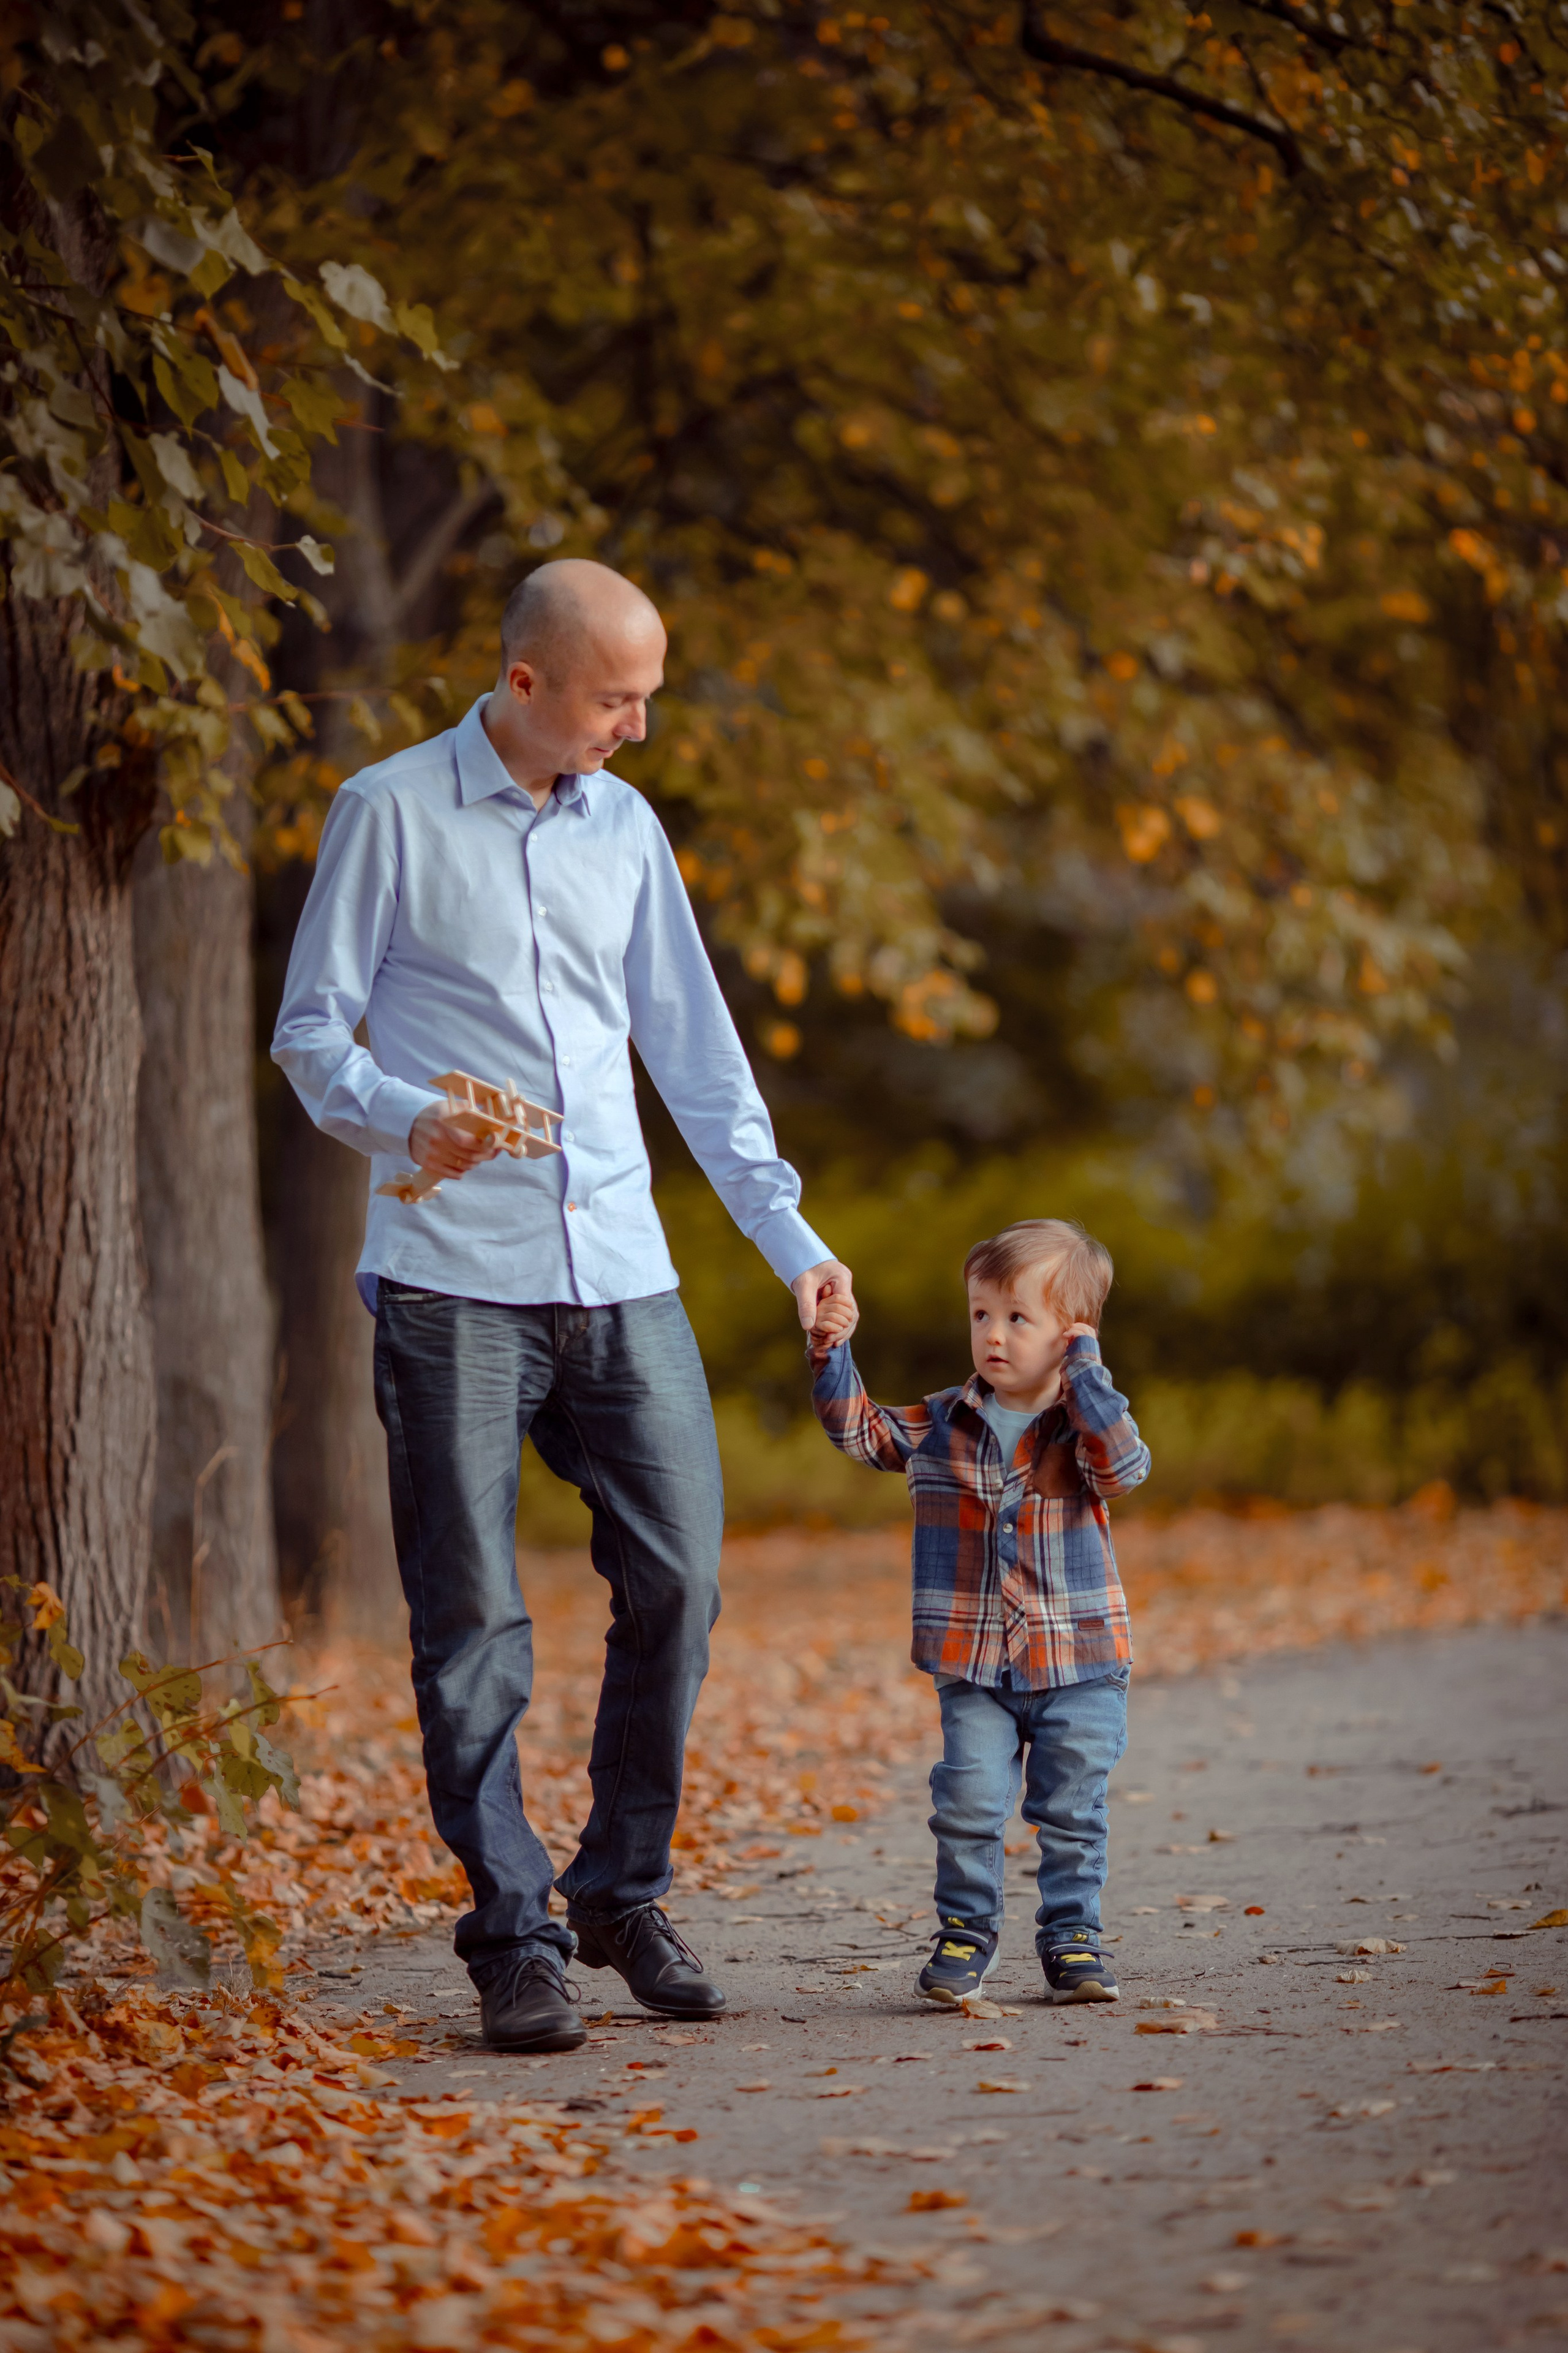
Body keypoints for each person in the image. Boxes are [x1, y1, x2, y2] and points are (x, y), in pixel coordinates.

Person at [273, 559, 854, 2052]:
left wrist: (789, 1240)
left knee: (678, 1580)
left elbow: (695, 1052)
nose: (635, 727)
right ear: (522, 680)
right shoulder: (388, 811)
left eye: (645, 696)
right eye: (615, 698)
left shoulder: (626, 828)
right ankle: (511, 1931)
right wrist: (406, 1116)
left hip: (620, 1276)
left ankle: (618, 1890)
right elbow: (311, 1033)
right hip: (451, 1280)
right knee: (470, 1617)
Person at [807, 1217, 1148, 2004]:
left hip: (1079, 1662)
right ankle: (966, 1931)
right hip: (972, 1662)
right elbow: (858, 1432)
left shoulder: (1083, 1425)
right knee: (965, 1801)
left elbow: (1124, 1467)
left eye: (1018, 1317)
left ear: (1071, 1334)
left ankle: (1072, 1938)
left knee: (1071, 1808)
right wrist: (831, 1348)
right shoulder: (942, 1422)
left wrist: (1087, 1372)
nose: (993, 1334)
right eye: (981, 1314)